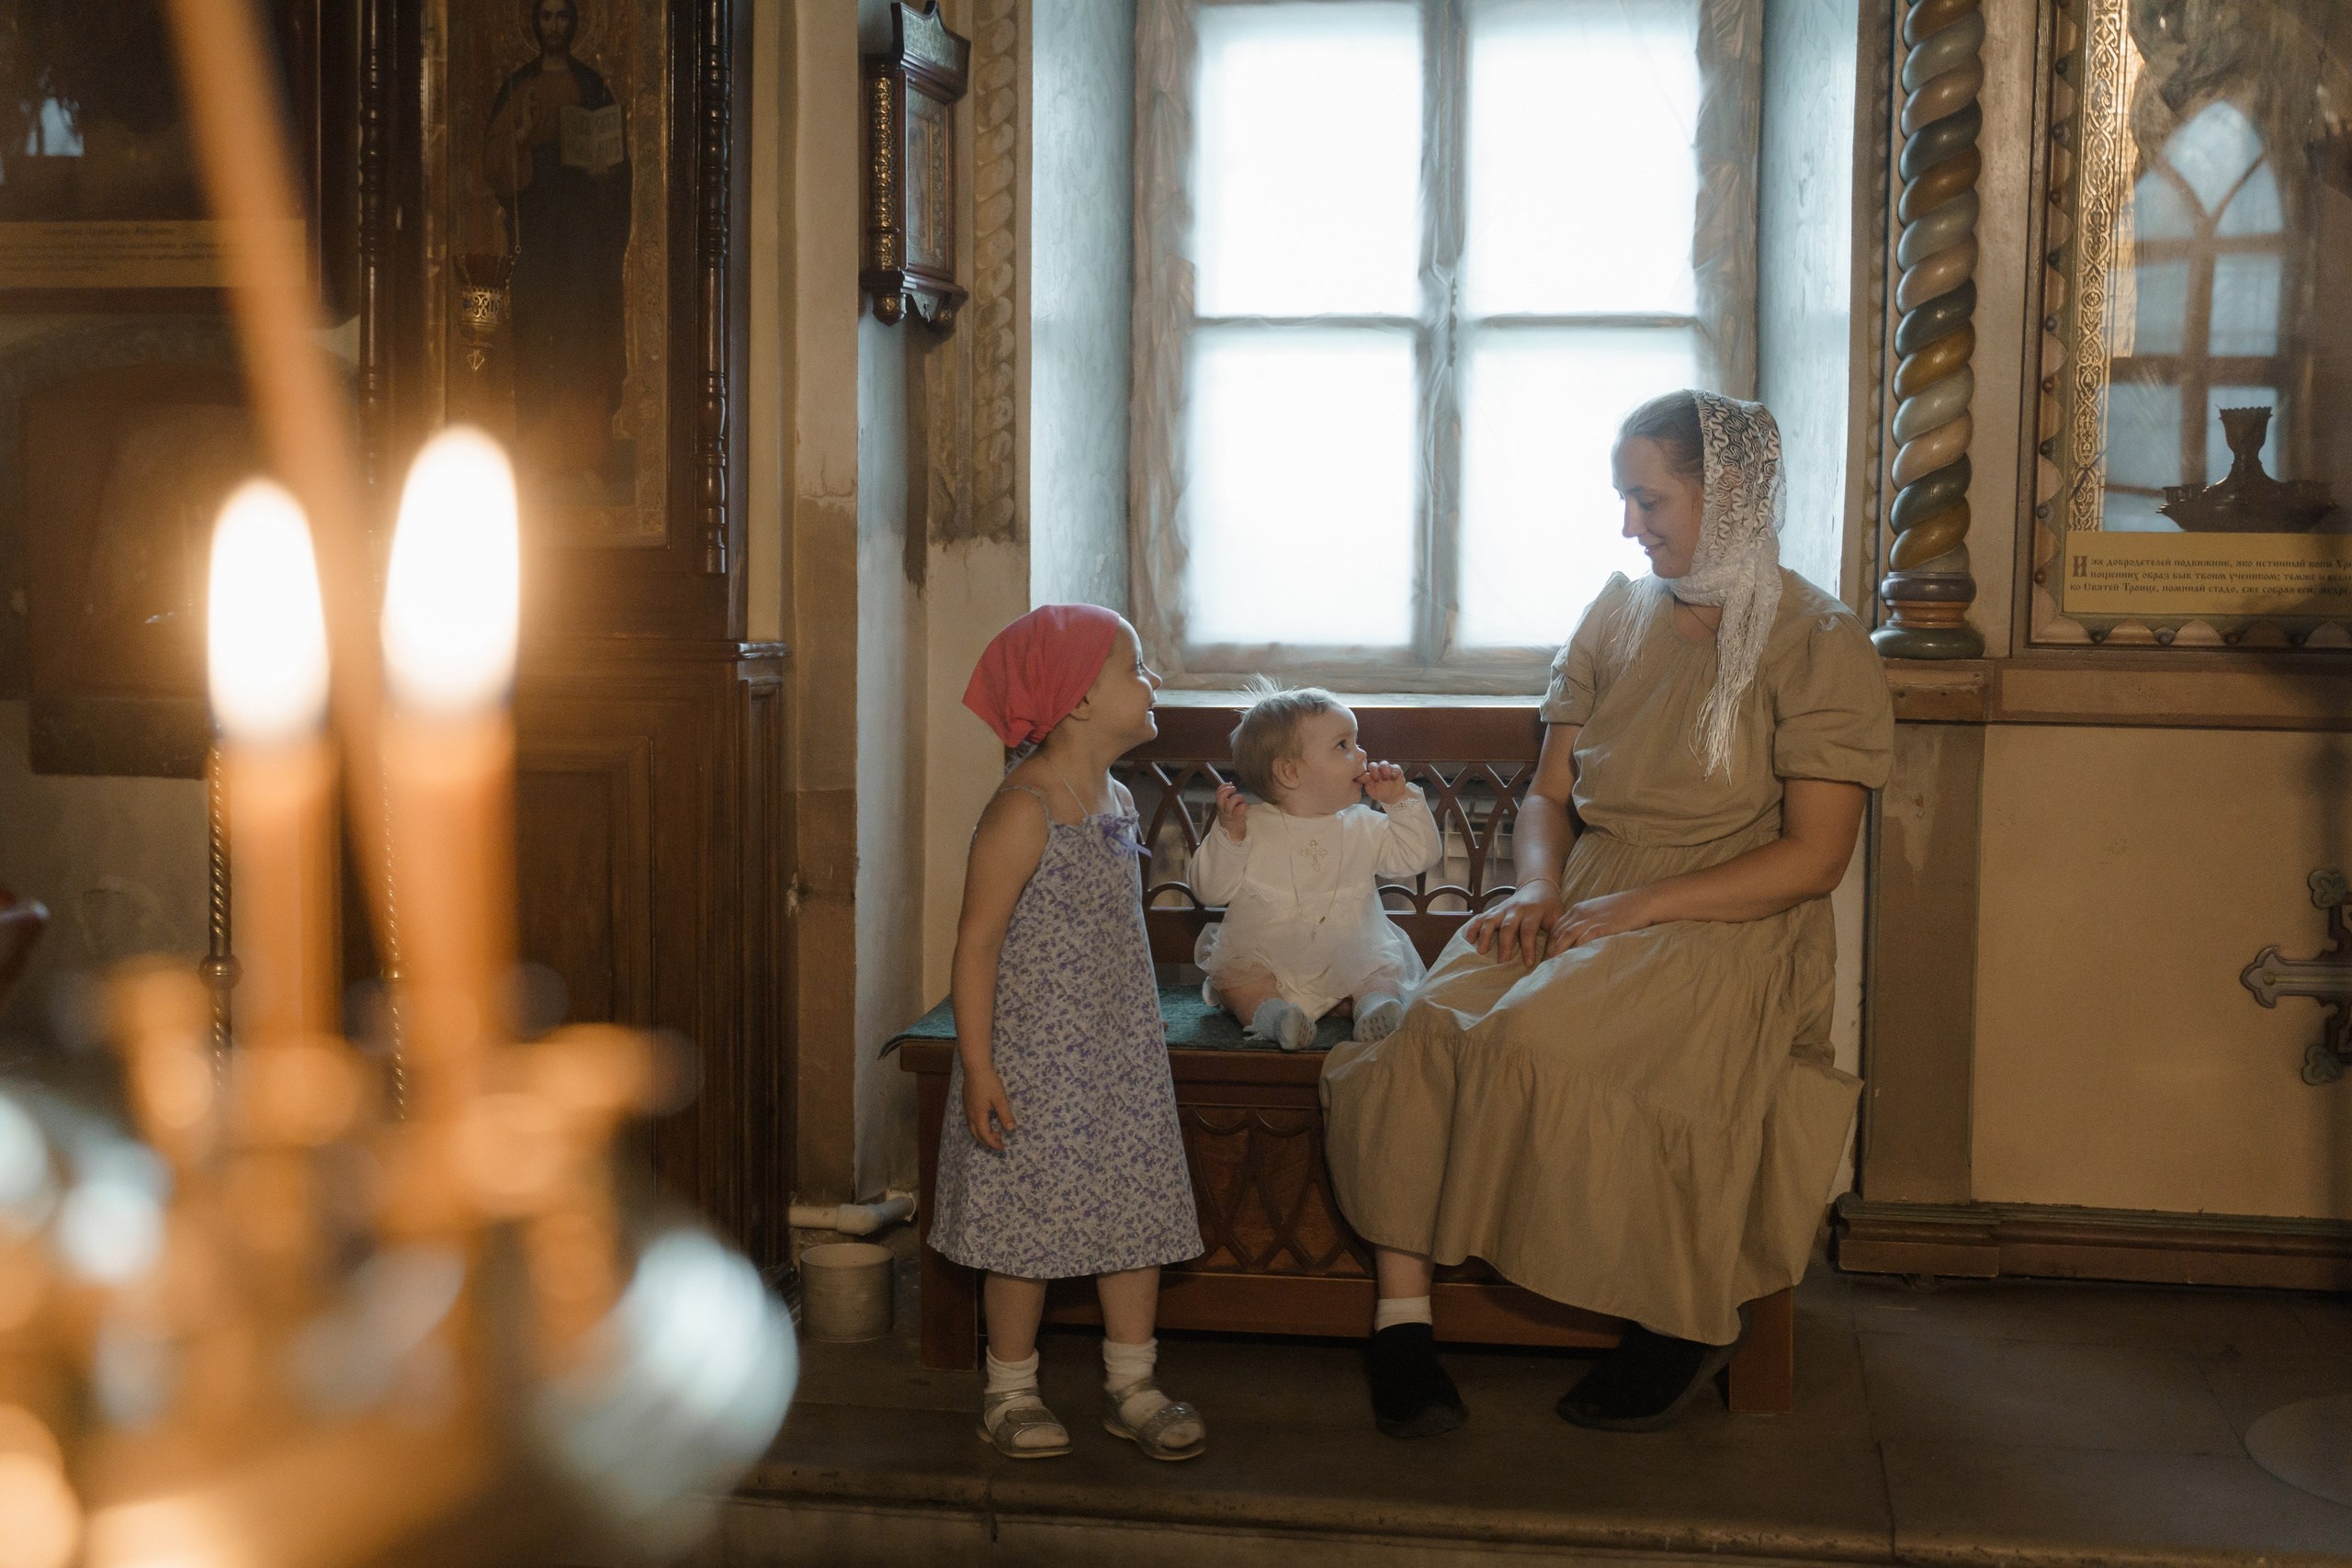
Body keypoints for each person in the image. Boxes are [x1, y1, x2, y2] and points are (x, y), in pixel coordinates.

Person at [1320, 390, 1894, 1438]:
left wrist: (1636, 909)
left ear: (1727, 496)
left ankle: (1681, 1317)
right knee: (1422, 1028)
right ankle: (1401, 1325)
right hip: (1585, 890)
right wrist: (1538, 889)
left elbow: (1813, 860)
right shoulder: (1618, 612)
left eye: (1647, 499)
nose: (1629, 526)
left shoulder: (1819, 640)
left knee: (1542, 1033)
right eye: (1625, 500)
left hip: (1729, 912)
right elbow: (1548, 795)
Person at [929, 604, 1210, 1462]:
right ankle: (1008, 1388)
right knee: (1025, 1221)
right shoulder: (1023, 809)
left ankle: (1132, 1381)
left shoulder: (1117, 796)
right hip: (1034, 1062)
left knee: (1135, 1213)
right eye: (1134, 667)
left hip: (1118, 1057)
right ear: (1079, 699)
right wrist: (978, 1066)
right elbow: (976, 944)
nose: (1150, 679)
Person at [1188, 685, 1443, 1051]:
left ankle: (1374, 1006)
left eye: (1356, 742)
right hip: (1267, 957)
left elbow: (1419, 856)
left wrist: (1400, 802)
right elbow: (1209, 890)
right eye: (1343, 745)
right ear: (1290, 771)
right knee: (1235, 980)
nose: (1362, 754)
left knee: (1381, 969)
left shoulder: (1364, 823)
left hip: (1350, 952)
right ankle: (1275, 1017)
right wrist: (1228, 836)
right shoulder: (1249, 826)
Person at [484, 0, 632, 502]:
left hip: (583, 245)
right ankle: (538, 459)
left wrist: (603, 174)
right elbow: (495, 169)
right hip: (538, 240)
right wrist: (521, 141)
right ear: (533, 23)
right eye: (545, 17)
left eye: (561, 17)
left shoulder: (593, 87)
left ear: (575, 23)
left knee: (582, 344)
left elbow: (620, 171)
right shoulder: (517, 88)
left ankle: (584, 457)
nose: (553, 27)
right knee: (536, 342)